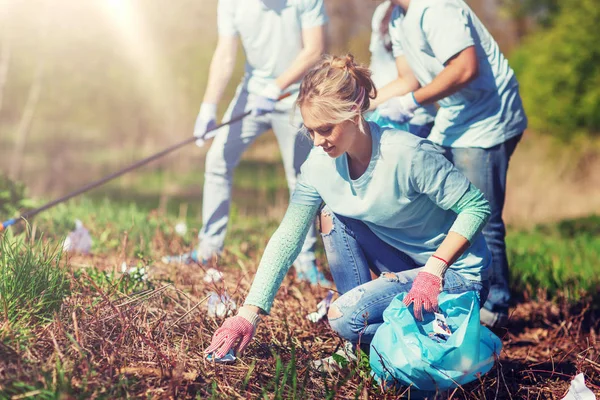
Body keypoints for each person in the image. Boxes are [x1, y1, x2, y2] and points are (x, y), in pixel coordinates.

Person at [204, 55, 492, 370]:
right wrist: (249, 312)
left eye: (325, 129)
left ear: (354, 111)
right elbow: (289, 234)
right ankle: (372, 344)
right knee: (332, 215)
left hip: (455, 273)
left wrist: (433, 270)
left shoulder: (407, 154)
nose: (317, 142)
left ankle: (421, 333)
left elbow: (476, 207)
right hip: (400, 263)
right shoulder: (318, 165)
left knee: (343, 317)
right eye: (310, 131)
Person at [371, 0, 528, 327]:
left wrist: (411, 102)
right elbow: (407, 79)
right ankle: (450, 287)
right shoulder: (397, 17)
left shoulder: (436, 6)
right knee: (437, 206)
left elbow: (464, 68)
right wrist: (360, 102)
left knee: (480, 213)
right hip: (455, 117)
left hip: (488, 118)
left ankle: (495, 308)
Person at [165, 0, 331, 285]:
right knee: (217, 161)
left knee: (301, 179)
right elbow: (225, 55)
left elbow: (314, 49)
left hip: (297, 95)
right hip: (251, 95)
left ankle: (304, 262)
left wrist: (276, 86)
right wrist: (208, 106)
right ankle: (208, 251)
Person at [368, 0, 437, 138]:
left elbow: (410, 81)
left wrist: (363, 102)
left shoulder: (427, 9)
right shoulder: (383, 11)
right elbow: (376, 62)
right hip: (377, 116)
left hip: (412, 120)